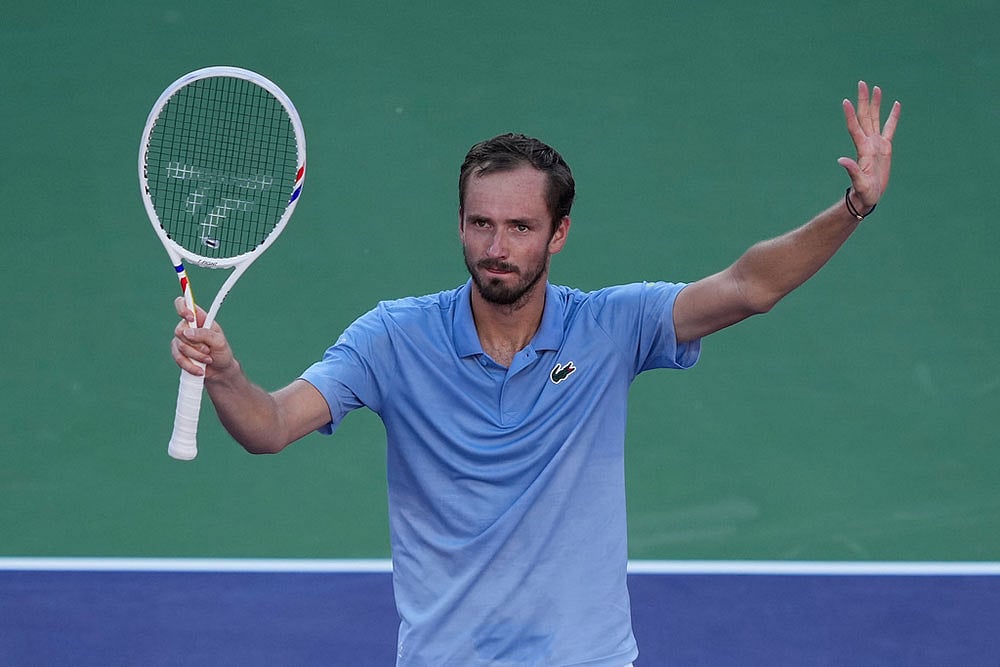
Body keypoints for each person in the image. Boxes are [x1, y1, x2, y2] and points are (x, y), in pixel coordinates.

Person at [171, 81, 901, 666]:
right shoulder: (393, 337)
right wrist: (228, 373)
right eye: (480, 223)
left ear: (559, 234)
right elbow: (268, 427)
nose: (497, 245)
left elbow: (749, 287)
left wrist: (851, 209)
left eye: (520, 227)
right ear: (459, 223)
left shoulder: (612, 327)